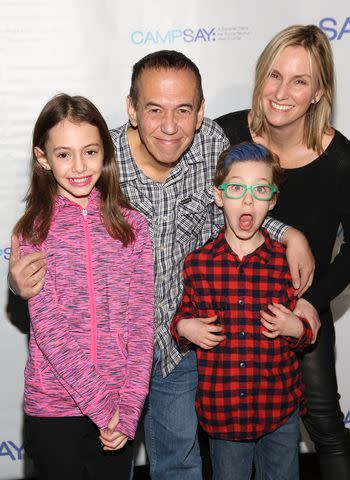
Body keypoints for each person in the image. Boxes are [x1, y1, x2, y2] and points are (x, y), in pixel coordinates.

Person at [9, 51, 317, 479]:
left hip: (178, 344)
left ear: (200, 112)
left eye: (183, 110)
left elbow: (243, 201)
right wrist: (16, 281)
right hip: (108, 360)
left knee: (180, 463)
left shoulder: (211, 144)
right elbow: (51, 251)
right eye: (154, 109)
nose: (170, 126)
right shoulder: (98, 160)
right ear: (132, 109)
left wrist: (289, 235)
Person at [215, 25, 350, 479]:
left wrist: (311, 304)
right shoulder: (227, 134)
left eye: (299, 81)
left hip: (299, 306)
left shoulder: (340, 159)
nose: (281, 92)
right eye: (274, 75)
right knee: (218, 432)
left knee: (325, 426)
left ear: (318, 93)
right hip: (228, 308)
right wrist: (289, 232)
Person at [13, 93, 154, 480]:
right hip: (54, 410)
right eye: (64, 155)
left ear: (105, 153)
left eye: (90, 152)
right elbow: (50, 329)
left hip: (120, 413)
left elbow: (141, 327)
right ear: (43, 158)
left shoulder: (134, 228)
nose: (79, 167)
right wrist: (102, 407)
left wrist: (126, 409)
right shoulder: (32, 232)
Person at [171, 142, 313, 480]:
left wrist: (298, 329)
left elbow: (304, 331)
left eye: (260, 190)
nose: (247, 200)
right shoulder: (198, 265)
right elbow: (180, 318)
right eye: (236, 188)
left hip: (278, 407)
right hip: (224, 413)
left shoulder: (285, 263)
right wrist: (185, 328)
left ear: (273, 200)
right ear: (218, 196)